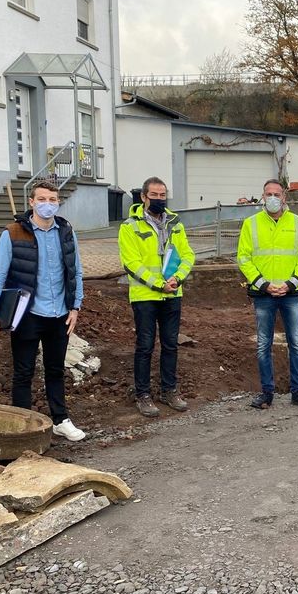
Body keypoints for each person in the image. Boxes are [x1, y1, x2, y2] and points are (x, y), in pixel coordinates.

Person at [0, 180, 85, 441]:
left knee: (55, 369)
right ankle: (21, 426)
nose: (47, 204)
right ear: (31, 202)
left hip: (59, 314)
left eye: (52, 199)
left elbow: (76, 271)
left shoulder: (66, 231)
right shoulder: (13, 233)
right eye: (42, 199)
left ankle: (61, 419)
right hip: (27, 314)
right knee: (23, 371)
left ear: (58, 202)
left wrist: (75, 306)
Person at [118, 176, 195, 418]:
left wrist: (177, 279)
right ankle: (143, 394)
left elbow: (187, 255)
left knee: (170, 344)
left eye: (163, 195)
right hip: (145, 296)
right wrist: (159, 284)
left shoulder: (175, 224)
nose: (159, 199)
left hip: (173, 293)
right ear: (143, 197)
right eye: (155, 195)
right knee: (145, 345)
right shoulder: (130, 227)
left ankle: (169, 390)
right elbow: (132, 263)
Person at [238, 179, 298, 409]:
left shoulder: (297, 223)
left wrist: (290, 283)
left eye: (276, 194)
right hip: (264, 294)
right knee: (264, 345)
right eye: (268, 193)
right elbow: (243, 258)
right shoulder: (251, 224)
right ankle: (266, 393)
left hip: (290, 293)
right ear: (262, 196)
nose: (272, 198)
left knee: (296, 344)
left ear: (284, 197)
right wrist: (263, 284)